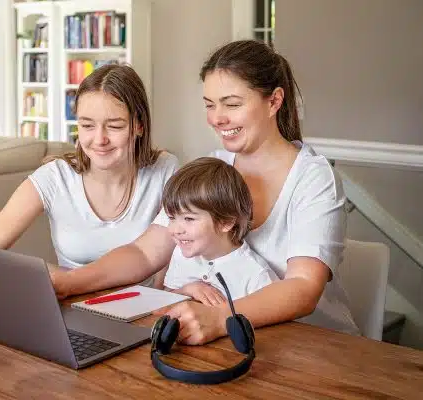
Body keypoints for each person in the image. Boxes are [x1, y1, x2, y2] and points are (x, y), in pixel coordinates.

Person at [50, 39, 359, 343]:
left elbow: (303, 287)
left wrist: (222, 317)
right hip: (238, 343)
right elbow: (146, 252)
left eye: (232, 104)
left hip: (314, 347)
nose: (217, 118)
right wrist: (70, 282)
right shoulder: (213, 166)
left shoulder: (313, 178)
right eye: (210, 105)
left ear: (274, 101)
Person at [0, 64, 178, 309]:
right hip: (72, 309)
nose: (99, 139)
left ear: (139, 125)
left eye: (115, 126)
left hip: (142, 311)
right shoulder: (54, 178)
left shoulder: (165, 170)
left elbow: (153, 255)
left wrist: (67, 280)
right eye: (87, 125)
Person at [158, 157, 279, 305]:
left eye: (189, 219)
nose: (175, 230)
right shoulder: (181, 252)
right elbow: (166, 300)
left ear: (226, 222)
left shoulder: (256, 275)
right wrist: (189, 290)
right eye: (171, 218)